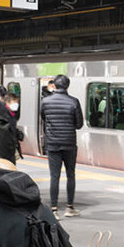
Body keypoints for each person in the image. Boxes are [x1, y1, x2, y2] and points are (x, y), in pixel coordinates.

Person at [40, 73, 84, 217]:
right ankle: (69, 208)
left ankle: (54, 210)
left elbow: (44, 118)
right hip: (69, 144)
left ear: (54, 85)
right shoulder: (74, 102)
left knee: (54, 176)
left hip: (52, 143)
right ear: (67, 86)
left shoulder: (45, 102)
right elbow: (79, 125)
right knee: (70, 175)